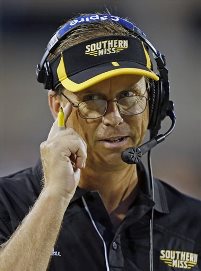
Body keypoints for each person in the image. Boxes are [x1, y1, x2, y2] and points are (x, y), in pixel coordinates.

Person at [0, 13, 200, 271]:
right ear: (56, 106)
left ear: (154, 100)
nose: (115, 117)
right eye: (93, 99)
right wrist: (54, 198)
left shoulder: (194, 222)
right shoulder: (6, 203)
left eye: (128, 95)